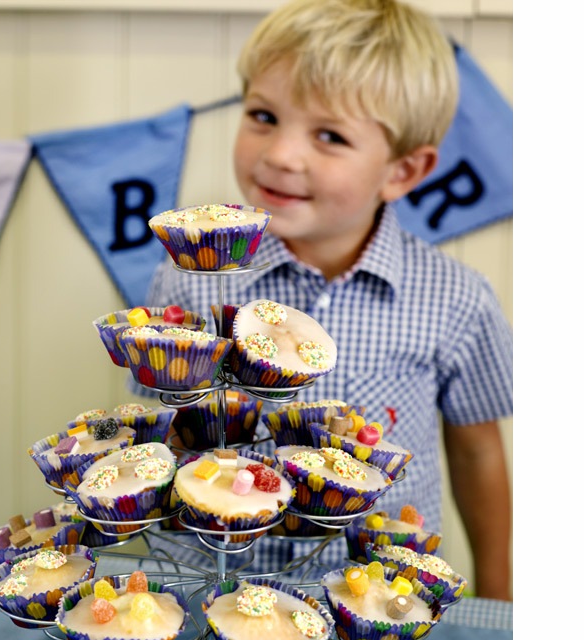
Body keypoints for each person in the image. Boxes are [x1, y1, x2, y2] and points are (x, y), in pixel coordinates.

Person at [133, 0, 512, 599]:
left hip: (378, 601)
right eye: (263, 115)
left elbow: (477, 457)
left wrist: (501, 598)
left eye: (330, 135)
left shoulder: (458, 299)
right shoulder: (191, 279)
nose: (281, 154)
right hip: (205, 591)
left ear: (404, 169)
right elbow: (157, 429)